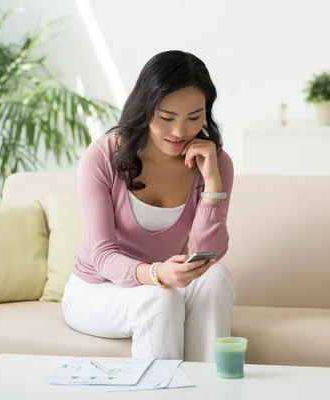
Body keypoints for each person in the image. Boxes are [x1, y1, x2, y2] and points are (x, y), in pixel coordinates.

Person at [61, 50, 235, 362]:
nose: (180, 132)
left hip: (165, 285)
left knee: (216, 277)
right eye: (167, 118)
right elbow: (102, 256)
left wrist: (212, 184)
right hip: (96, 289)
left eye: (194, 117)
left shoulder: (214, 162)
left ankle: (209, 390)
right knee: (160, 301)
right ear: (145, 108)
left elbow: (210, 252)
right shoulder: (102, 157)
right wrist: (157, 274)